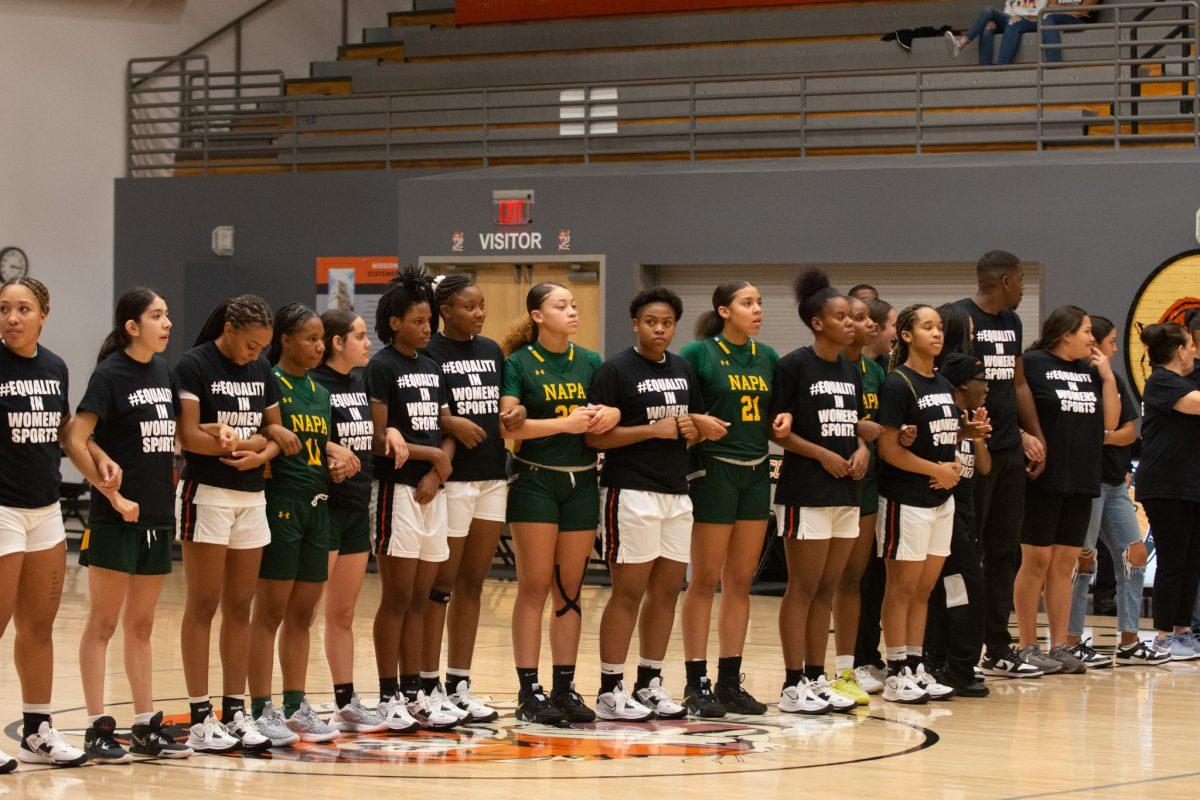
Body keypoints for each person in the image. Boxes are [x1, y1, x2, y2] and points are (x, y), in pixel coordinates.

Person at [64, 289, 192, 764]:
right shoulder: (110, 373)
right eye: (157, 315)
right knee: (104, 622)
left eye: (167, 314)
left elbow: (169, 435)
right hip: (116, 518)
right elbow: (77, 437)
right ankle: (97, 728)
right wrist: (111, 493)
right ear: (132, 326)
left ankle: (143, 725)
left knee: (141, 626)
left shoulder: (162, 372)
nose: (167, 323)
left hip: (157, 514)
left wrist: (214, 434)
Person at [587, 288, 724, 721]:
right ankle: (611, 688)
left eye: (666, 322)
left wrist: (697, 427)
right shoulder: (615, 370)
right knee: (628, 592)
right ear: (635, 323)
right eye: (650, 321)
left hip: (676, 492)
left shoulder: (684, 368)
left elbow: (691, 428)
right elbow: (595, 437)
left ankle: (649, 684)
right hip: (631, 492)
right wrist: (651, 431)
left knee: (667, 592)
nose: (659, 329)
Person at [174, 294, 295, 754]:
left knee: (240, 606)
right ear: (229, 329)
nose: (256, 354)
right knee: (203, 604)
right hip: (207, 494)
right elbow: (188, 438)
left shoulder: (262, 370)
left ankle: (235, 709)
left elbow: (275, 436)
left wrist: (260, 452)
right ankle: (201, 714)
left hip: (252, 496)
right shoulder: (193, 366)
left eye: (262, 347)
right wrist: (240, 444)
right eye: (250, 345)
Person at [501, 282, 619, 724]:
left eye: (573, 305)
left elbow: (611, 410)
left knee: (570, 591)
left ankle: (564, 686)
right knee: (533, 587)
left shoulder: (590, 361)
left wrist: (612, 415)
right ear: (537, 315)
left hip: (583, 482)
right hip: (536, 481)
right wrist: (565, 424)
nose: (572, 312)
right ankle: (528, 690)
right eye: (561, 305)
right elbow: (512, 427)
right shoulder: (518, 362)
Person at [769, 269, 872, 715]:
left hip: (846, 491)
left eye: (853, 317)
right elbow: (777, 431)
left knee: (829, 588)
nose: (851, 324)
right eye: (842, 316)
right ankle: (793, 684)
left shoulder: (850, 366)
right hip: (805, 489)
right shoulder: (793, 365)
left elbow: (855, 426)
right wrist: (822, 456)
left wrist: (864, 448)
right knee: (803, 588)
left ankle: (816, 675)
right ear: (818, 322)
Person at [679, 280, 784, 717]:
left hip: (756, 471)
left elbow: (779, 410)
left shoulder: (768, 357)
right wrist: (695, 422)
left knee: (740, 583)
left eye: (759, 302)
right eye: (747, 303)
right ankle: (695, 682)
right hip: (714, 470)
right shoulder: (698, 354)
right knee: (704, 580)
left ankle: (728, 680)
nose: (757, 309)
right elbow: (676, 410)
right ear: (723, 310)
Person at [247, 304, 350, 746]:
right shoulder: (269, 382)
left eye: (321, 339)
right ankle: (259, 708)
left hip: (319, 504)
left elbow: (311, 439)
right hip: (281, 504)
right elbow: (257, 430)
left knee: (303, 614)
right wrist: (272, 436)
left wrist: (336, 456)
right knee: (269, 612)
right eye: (309, 339)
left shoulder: (320, 390)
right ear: (284, 341)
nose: (318, 346)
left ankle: (295, 705)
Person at [366, 267, 460, 730]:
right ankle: (388, 695)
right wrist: (434, 462)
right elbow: (383, 438)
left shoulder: (432, 367)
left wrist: (438, 472)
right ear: (396, 322)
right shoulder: (381, 366)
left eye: (430, 322)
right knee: (398, 596)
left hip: (430, 491)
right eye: (419, 321)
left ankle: (416, 690)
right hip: (397, 491)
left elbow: (446, 428)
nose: (427, 329)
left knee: (423, 596)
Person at [0, 278, 87, 769]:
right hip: (2, 509)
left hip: (45, 510)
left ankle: (37, 733)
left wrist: (104, 478)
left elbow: (65, 435)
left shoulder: (55, 367)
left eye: (23, 308)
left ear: (43, 314)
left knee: (39, 626)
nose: (12, 318)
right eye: (4, 309)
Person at [953, 251, 1047, 678]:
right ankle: (958, 648)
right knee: (968, 551)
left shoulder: (1012, 321)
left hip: (1009, 448)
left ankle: (997, 646)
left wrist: (1035, 433)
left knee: (1004, 551)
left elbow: (1019, 382)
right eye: (1023, 278)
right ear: (1006, 280)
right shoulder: (959, 319)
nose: (1026, 287)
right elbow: (947, 384)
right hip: (974, 448)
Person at [421, 274, 510, 723]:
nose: (479, 313)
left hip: (492, 476)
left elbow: (501, 401)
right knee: (442, 583)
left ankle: (459, 681)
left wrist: (514, 410)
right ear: (445, 310)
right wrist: (449, 422)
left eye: (482, 306)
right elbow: (417, 405)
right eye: (470, 306)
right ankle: (426, 682)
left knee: (474, 582)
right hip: (453, 480)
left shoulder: (492, 350)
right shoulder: (428, 351)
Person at [1012, 306, 1118, 676]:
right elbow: (1010, 411)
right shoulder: (1031, 363)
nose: (1092, 339)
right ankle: (1027, 645)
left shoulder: (1090, 370)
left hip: (1083, 477)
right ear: (1065, 332)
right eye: (1087, 331)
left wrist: (1107, 378)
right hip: (1041, 479)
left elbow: (1110, 421)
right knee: (1036, 561)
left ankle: (1059, 645)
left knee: (1064, 564)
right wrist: (1024, 437)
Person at [1063, 316, 1167, 667]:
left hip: (1115, 482)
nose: (1110, 348)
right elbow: (1100, 429)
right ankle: (1072, 640)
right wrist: (1104, 432)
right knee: (1083, 561)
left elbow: (1126, 432)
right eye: (1107, 341)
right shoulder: (1076, 380)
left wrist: (1101, 435)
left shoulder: (1112, 379)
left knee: (1134, 555)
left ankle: (1129, 640)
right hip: (1088, 484)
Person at [311, 309, 394, 732]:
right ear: (336, 342)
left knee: (342, 613)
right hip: (322, 505)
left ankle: (346, 701)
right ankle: (286, 703)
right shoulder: (315, 383)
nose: (368, 344)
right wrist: (329, 450)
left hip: (356, 506)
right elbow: (301, 430)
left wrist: (391, 434)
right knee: (303, 613)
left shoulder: (361, 381)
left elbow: (375, 433)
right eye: (359, 336)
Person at [875, 304, 963, 704]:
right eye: (927, 327)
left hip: (941, 500)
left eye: (940, 327)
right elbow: (889, 450)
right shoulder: (897, 384)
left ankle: (915, 664)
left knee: (924, 591)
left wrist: (957, 457)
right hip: (906, 500)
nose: (937, 333)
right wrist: (935, 468)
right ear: (907, 335)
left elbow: (943, 436)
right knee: (901, 588)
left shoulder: (942, 382)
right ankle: (895, 671)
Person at [923, 351, 993, 697]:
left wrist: (975, 437)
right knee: (964, 590)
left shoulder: (969, 418)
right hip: (944, 512)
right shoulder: (942, 416)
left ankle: (944, 661)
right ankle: (957, 666)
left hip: (965, 514)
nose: (987, 388)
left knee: (953, 592)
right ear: (963, 383)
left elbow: (984, 468)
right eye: (982, 381)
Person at [831, 295, 889, 703]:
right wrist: (858, 435)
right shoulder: (824, 366)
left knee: (856, 577)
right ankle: (813, 672)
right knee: (821, 582)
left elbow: (881, 424)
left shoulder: (875, 372)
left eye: (868, 318)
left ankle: (846, 669)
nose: (865, 324)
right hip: (829, 481)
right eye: (856, 317)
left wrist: (890, 434)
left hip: (867, 485)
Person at [1133, 323, 1200, 660]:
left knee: (1190, 561)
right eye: (1190, 346)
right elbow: (1196, 405)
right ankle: (1162, 635)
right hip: (1165, 484)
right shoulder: (1161, 381)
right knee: (1173, 561)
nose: (1193, 352)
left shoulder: (1183, 381)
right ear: (1179, 350)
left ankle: (1182, 630)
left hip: (1189, 484)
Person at [946, 1, 1047, 66]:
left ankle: (961, 45)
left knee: (1010, 19)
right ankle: (961, 46)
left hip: (1031, 21)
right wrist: (1005, 19)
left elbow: (1040, 12)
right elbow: (1007, 13)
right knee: (988, 20)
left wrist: (1019, 17)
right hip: (1011, 20)